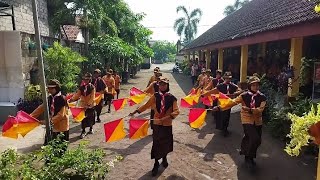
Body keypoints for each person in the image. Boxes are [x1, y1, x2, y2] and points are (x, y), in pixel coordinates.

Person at [212, 76, 266, 170]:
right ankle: (248, 158)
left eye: (257, 85)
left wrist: (250, 109)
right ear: (250, 86)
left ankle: (248, 156)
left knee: (255, 140)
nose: (256, 87)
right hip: (247, 119)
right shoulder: (244, 96)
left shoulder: (262, 97)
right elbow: (232, 102)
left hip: (257, 121)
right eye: (253, 85)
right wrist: (220, 107)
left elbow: (260, 110)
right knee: (255, 138)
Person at [129, 77, 179, 177]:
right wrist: (137, 111)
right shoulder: (155, 96)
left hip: (167, 124)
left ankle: (164, 158)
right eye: (161, 85)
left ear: (167, 86)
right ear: (158, 86)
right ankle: (156, 163)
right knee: (156, 143)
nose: (162, 86)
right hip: (156, 123)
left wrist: (167, 117)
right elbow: (146, 105)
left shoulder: (172, 98)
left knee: (165, 142)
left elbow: (176, 111)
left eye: (164, 85)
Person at [202, 71, 242, 136]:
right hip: (221, 104)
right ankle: (222, 128)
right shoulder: (220, 86)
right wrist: (204, 94)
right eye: (226, 78)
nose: (228, 80)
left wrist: (235, 93)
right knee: (221, 116)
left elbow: (240, 90)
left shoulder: (233, 86)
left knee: (227, 116)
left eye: (229, 78)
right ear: (224, 78)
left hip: (229, 104)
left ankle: (225, 129)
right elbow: (212, 91)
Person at [69, 73, 96, 139]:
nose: (85, 81)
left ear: (89, 80)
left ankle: (91, 128)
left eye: (87, 79)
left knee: (91, 117)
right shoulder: (81, 88)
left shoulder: (92, 87)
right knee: (83, 118)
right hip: (83, 106)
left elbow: (92, 97)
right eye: (84, 79)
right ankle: (83, 131)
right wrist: (72, 99)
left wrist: (89, 104)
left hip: (90, 105)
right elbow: (77, 95)